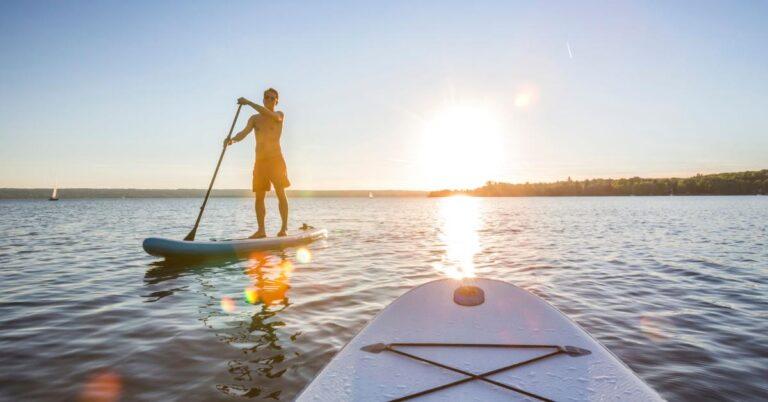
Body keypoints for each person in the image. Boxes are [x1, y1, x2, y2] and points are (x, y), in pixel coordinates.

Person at [226, 88, 290, 238]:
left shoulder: (279, 115)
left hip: (276, 160)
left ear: (276, 101)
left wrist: (248, 102)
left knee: (281, 193)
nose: (268, 100)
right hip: (260, 162)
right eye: (266, 97)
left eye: (272, 98)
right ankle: (261, 231)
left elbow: (270, 114)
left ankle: (284, 229)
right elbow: (243, 133)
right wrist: (232, 140)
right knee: (259, 197)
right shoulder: (254, 119)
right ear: (263, 99)